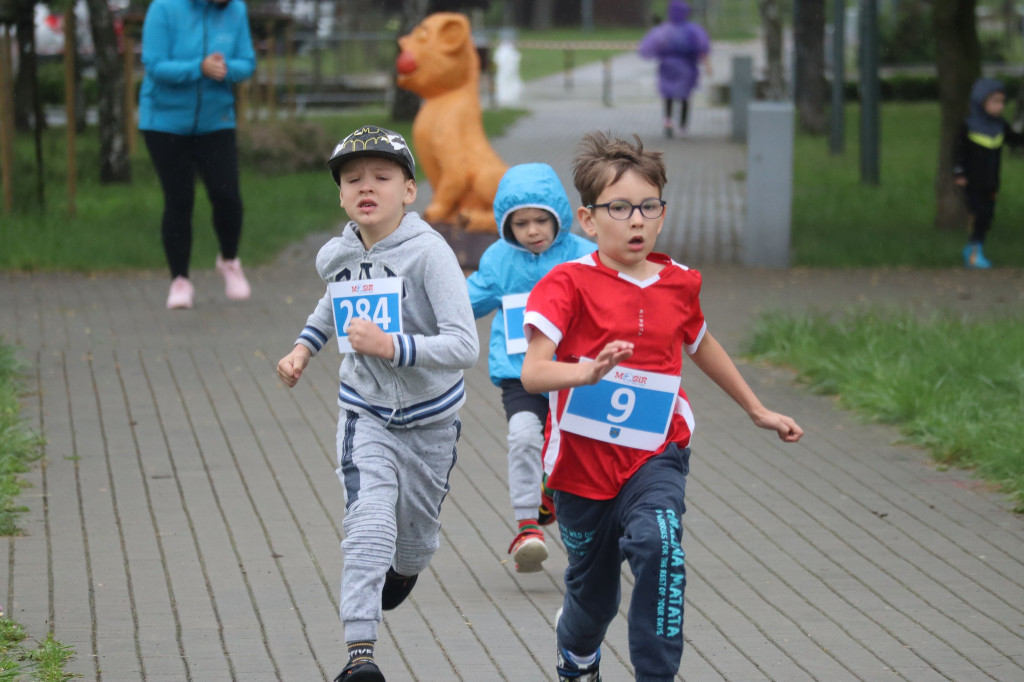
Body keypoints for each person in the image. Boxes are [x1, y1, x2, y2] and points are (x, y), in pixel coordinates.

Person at [520, 131, 803, 681]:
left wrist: (756, 409)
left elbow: (702, 343)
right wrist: (588, 372)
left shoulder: (679, 283)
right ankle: (576, 656)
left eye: (649, 207)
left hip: (657, 452)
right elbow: (533, 372)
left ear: (662, 214)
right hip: (580, 467)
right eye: (620, 208)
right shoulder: (566, 283)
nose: (636, 221)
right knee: (594, 601)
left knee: (660, 546)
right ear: (587, 219)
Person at [276, 125, 478, 682]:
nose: (367, 188)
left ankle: (404, 572)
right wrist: (302, 349)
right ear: (341, 194)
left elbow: (465, 346)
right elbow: (330, 305)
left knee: (414, 545)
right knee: (368, 527)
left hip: (431, 422)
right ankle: (359, 655)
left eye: (382, 178)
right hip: (365, 413)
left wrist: (393, 346)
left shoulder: (430, 254)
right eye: (353, 179)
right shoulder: (339, 254)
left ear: (409, 191)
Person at [466, 163, 594, 573]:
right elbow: (463, 302)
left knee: (571, 455)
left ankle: (570, 520)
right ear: (506, 225)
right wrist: (413, 306)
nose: (533, 230)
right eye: (520, 223)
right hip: (521, 375)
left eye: (542, 220)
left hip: (573, 375)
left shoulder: (583, 257)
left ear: (559, 214)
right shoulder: (499, 260)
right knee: (523, 437)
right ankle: (527, 526)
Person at [139, 0, 255, 309]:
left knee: (227, 195)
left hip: (216, 122)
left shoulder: (236, 10)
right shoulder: (164, 9)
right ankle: (180, 280)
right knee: (179, 198)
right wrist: (199, 68)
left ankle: (229, 260)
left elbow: (248, 62)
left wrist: (225, 68)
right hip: (164, 122)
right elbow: (154, 64)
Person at [953, 77, 1024, 269]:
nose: (1000, 106)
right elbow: (959, 151)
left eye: (1002, 101)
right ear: (980, 101)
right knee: (979, 215)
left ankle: (975, 249)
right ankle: (974, 252)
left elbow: (1014, 140)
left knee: (988, 217)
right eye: (995, 101)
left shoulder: (1000, 125)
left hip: (991, 182)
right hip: (973, 182)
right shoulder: (969, 126)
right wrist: (959, 172)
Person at [638, 0, 711, 139]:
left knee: (668, 96)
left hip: (667, 68)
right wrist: (705, 62)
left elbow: (647, 48)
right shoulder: (692, 30)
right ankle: (683, 126)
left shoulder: (663, 30)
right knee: (684, 97)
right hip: (687, 68)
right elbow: (703, 45)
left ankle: (668, 122)